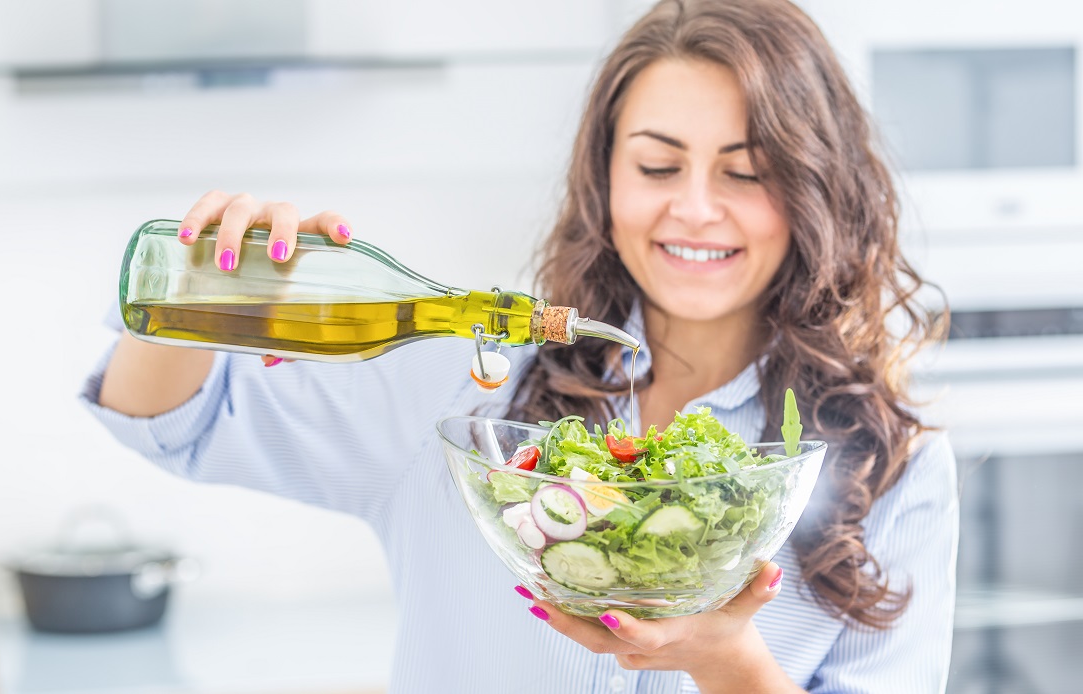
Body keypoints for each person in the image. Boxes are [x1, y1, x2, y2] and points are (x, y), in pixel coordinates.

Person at [81, 0, 958, 691]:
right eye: (657, 167)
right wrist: (194, 293)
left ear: (816, 187)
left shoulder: (893, 464)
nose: (694, 207)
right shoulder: (464, 390)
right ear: (604, 178)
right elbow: (170, 421)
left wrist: (727, 663)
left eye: (747, 170)